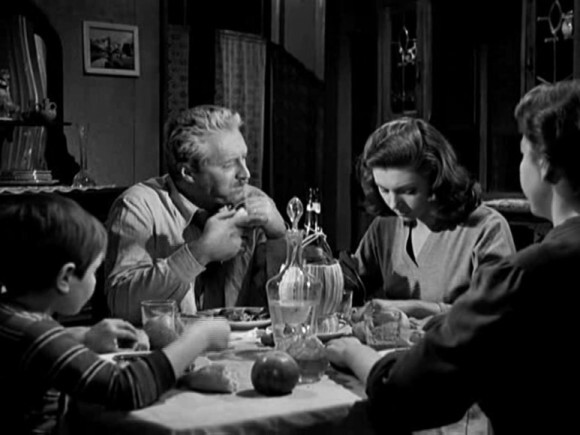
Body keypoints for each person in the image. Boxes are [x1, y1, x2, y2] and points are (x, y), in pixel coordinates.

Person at [327, 79, 580, 434]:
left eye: (523, 152)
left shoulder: (525, 273)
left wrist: (354, 353)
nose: (395, 202)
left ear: (546, 166)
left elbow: (408, 393)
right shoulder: (386, 228)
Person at [0, 194, 230, 435]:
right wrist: (198, 338)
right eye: (94, 271)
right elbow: (126, 388)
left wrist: (83, 338)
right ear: (65, 277)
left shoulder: (12, 317)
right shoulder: (36, 333)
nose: (95, 280)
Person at [104, 105, 286, 325]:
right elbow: (122, 308)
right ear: (188, 173)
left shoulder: (255, 206)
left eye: (244, 158)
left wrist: (279, 234)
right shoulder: (138, 206)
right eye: (229, 164)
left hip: (243, 345)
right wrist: (199, 253)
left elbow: (287, 307)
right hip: (170, 345)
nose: (245, 174)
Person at [353, 117, 515, 318]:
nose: (393, 204)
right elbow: (350, 284)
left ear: (435, 179)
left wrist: (417, 309)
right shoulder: (385, 227)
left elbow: (496, 314)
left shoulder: (486, 228)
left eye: (408, 191)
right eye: (384, 190)